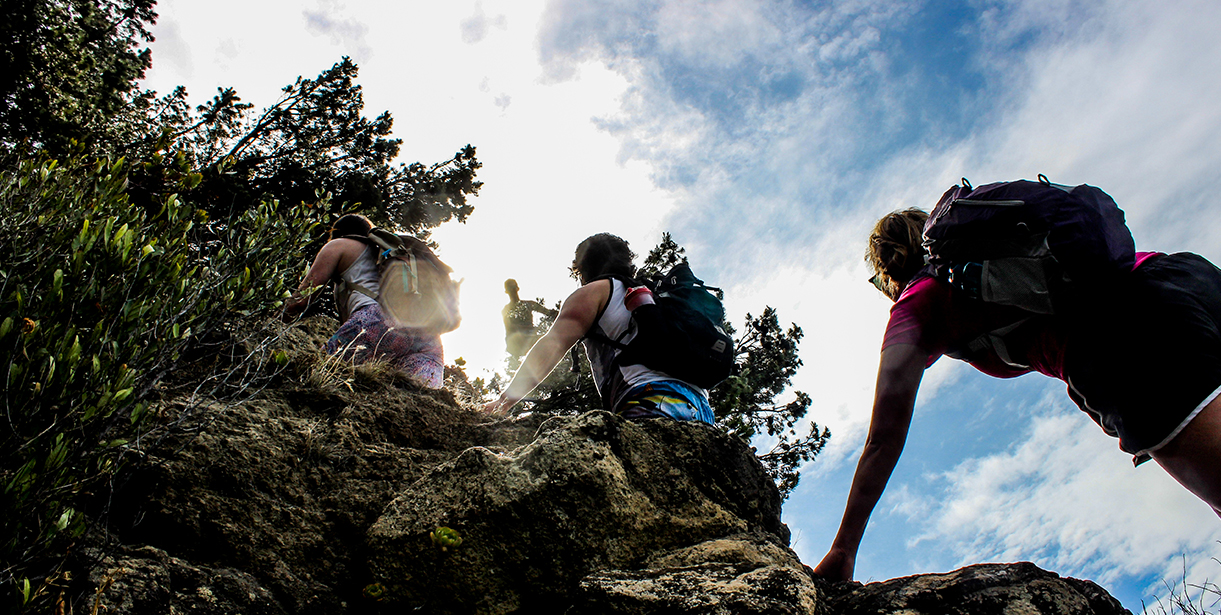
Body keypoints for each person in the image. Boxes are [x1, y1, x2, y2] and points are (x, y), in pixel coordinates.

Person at [814, 208, 1221, 582]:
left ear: (888, 274)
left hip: (1132, 337)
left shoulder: (916, 304)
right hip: (1186, 276)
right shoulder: (989, 250)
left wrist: (842, 549)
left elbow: (883, 439)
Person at [483, 233, 715, 423]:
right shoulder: (656, 296)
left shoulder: (596, 292)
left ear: (582, 267)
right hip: (702, 409)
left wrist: (504, 401)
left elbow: (551, 347)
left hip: (650, 401)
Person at [282, 213, 445, 388]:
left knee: (317, 372)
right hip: (426, 334)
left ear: (339, 232)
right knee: (422, 401)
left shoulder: (339, 245)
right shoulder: (390, 253)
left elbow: (301, 300)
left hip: (376, 321)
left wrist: (275, 322)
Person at [502, 279, 558, 360]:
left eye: (514, 287)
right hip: (518, 342)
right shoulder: (506, 310)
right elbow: (509, 330)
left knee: (551, 339)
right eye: (510, 288)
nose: (513, 290)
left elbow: (548, 312)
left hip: (531, 338)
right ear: (506, 291)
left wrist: (560, 313)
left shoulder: (529, 304)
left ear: (518, 288)